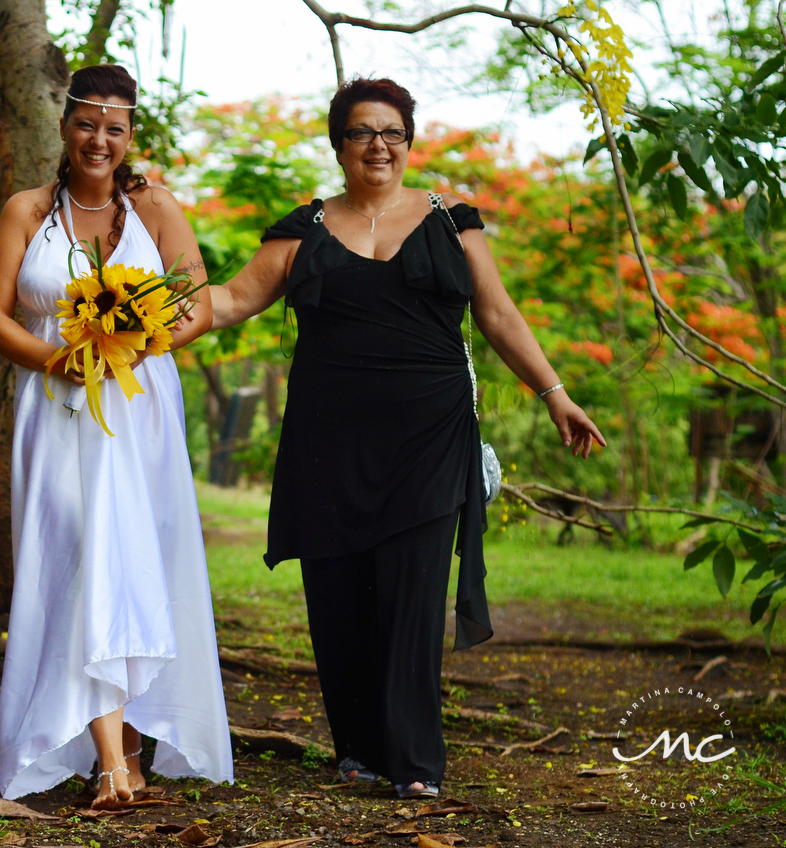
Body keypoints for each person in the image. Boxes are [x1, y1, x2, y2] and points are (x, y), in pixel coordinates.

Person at [207, 77, 605, 799]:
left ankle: (415, 761)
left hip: (429, 436)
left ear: (409, 142)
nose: (378, 145)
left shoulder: (452, 220)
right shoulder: (305, 229)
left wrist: (556, 394)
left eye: (392, 132)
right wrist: (137, 319)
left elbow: (499, 313)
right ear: (339, 145)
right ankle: (357, 748)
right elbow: (232, 299)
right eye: (362, 132)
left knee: (413, 595)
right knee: (338, 596)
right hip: (329, 443)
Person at [0, 64, 234, 808]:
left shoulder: (154, 206)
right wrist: (64, 356)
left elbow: (197, 306)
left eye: (114, 128)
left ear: (129, 136)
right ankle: (110, 758)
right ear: (64, 127)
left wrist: (130, 342)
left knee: (130, 565)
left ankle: (122, 755)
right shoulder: (28, 210)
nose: (100, 139)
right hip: (55, 410)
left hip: (138, 412)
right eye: (87, 123)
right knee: (80, 559)